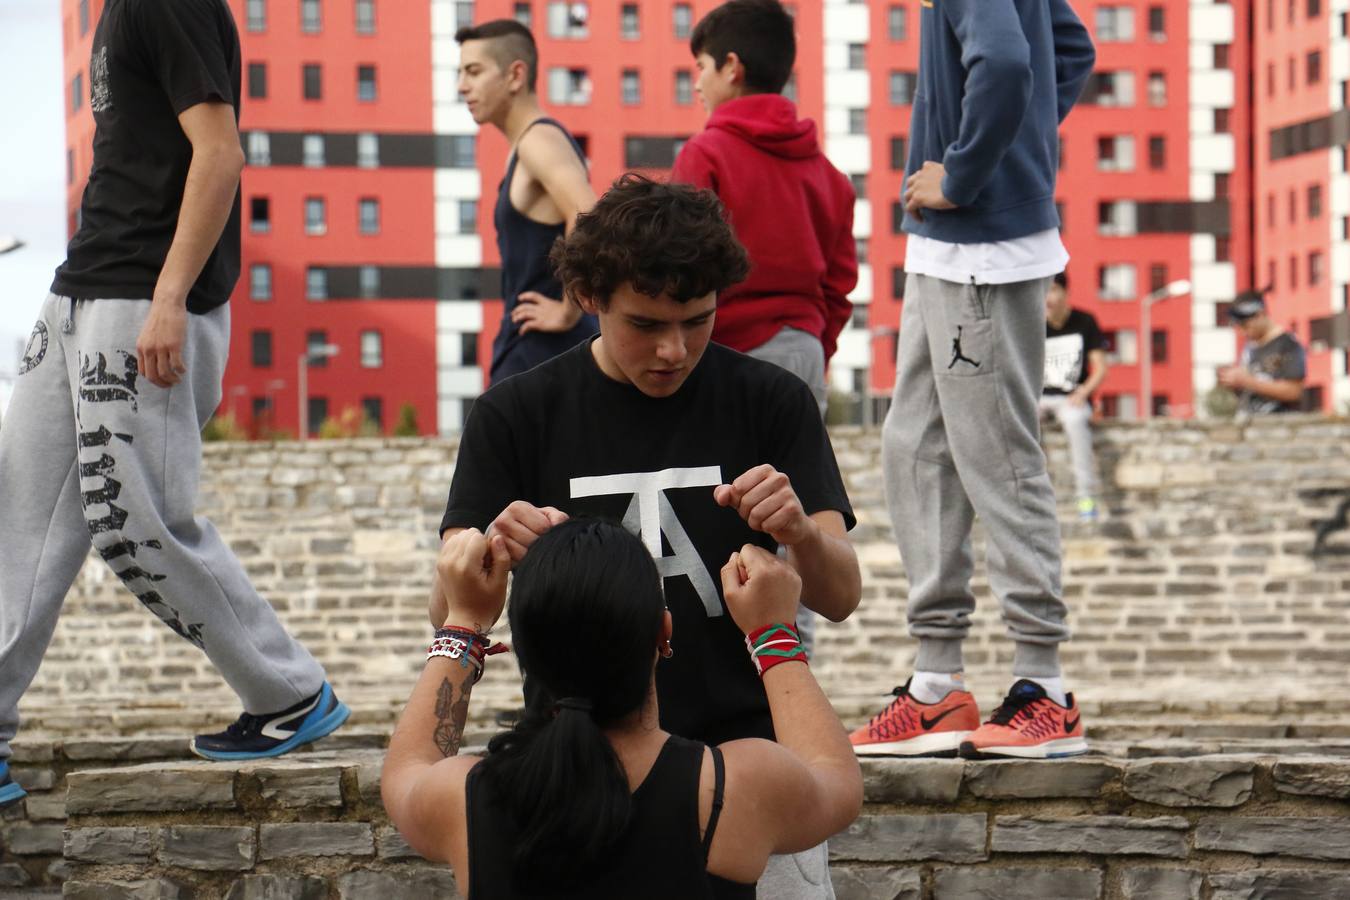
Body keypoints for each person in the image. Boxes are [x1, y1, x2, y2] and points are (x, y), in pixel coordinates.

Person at [438, 175, 860, 897]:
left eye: (698, 320)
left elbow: (842, 595)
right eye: (645, 324)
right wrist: (494, 560)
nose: (674, 349)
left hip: (745, 771)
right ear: (592, 299)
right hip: (576, 777)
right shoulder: (515, 414)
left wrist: (802, 534)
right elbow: (449, 607)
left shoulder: (770, 400)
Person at [0, 0, 347, 807]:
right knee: (19, 511)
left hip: (144, 299)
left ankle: (288, 692)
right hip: (82, 286)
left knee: (137, 517)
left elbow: (219, 154)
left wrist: (169, 300)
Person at [852, 0, 1096, 760]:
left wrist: (967, 172)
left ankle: (1044, 688)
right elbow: (1071, 50)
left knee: (999, 458)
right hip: (949, 251)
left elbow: (1013, 63)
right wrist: (1008, 154)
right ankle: (936, 686)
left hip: (982, 249)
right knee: (915, 447)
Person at [382, 522, 863, 898]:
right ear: (664, 634)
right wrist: (772, 632)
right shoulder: (732, 788)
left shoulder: (468, 800)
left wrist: (463, 621)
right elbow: (837, 782)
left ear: (522, 650)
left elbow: (406, 768)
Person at [670, 0, 857, 418]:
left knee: (723, 483)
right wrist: (814, 345)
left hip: (727, 353)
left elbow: (680, 265)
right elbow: (839, 286)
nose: (697, 83)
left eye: (702, 67)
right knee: (796, 483)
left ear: (731, 67)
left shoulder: (705, 155)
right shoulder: (831, 175)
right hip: (806, 351)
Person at [455, 20, 599, 384]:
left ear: (515, 75)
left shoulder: (539, 141)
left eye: (473, 71)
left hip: (546, 355)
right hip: (535, 353)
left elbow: (588, 213)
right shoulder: (527, 145)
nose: (462, 86)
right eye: (460, 73)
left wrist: (568, 311)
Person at [1041, 272, 1108, 521]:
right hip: (1039, 397)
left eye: (1053, 290)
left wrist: (1084, 391)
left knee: (1076, 422)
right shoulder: (1032, 323)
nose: (1048, 297)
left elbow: (1100, 367)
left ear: (1065, 293)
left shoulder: (1084, 322)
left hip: (1071, 398)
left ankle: (1085, 496)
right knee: (1018, 422)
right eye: (1043, 291)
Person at [1218, 290, 1307, 415]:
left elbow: (1294, 391)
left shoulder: (1288, 344)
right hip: (1252, 426)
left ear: (1260, 315)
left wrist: (1247, 381)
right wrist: (1235, 383)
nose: (1243, 332)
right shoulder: (1250, 347)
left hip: (1279, 427)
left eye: (1245, 325)